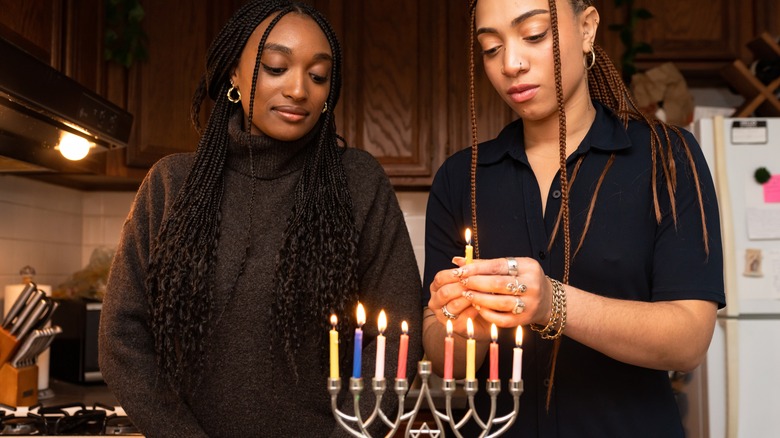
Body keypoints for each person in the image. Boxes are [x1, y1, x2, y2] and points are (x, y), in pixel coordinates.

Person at [98, 1, 422, 436]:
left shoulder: (358, 182)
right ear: (234, 73)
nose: (298, 89)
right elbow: (122, 339)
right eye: (275, 67)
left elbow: (395, 337)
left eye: (318, 75)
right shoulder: (171, 183)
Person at [422, 0, 725, 436]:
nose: (511, 63)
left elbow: (689, 340)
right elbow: (440, 357)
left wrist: (552, 302)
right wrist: (464, 320)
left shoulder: (667, 156)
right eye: (490, 48)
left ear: (587, 29)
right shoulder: (461, 176)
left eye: (534, 35)